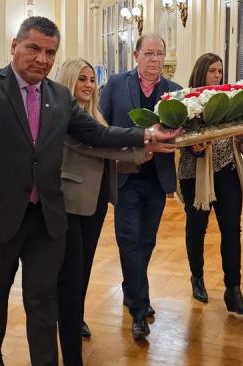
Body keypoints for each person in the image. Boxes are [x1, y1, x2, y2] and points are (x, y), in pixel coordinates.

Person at [0, 17, 179, 366]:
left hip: (47, 219)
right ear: (15, 45)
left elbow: (96, 134)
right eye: (34, 48)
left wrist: (146, 135)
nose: (42, 59)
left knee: (43, 303)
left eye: (50, 52)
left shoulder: (58, 97)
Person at [54, 58, 157, 366]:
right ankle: (70, 352)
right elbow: (95, 145)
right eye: (81, 79)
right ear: (68, 81)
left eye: (90, 79)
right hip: (71, 203)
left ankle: (75, 318)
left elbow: (105, 153)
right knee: (71, 274)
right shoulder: (65, 114)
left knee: (83, 269)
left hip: (96, 202)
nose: (87, 84)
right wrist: (141, 147)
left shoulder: (94, 113)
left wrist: (139, 152)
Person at [99, 33, 182, 340]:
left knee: (146, 241)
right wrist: (141, 146)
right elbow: (103, 131)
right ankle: (139, 308)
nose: (155, 60)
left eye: (159, 54)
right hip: (126, 177)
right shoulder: (116, 86)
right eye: (148, 53)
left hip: (157, 181)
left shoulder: (174, 91)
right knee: (128, 240)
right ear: (135, 56)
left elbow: (180, 133)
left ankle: (131, 289)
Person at [177, 53, 243, 315]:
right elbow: (178, 139)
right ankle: (197, 277)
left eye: (220, 71)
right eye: (212, 71)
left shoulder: (230, 101)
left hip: (227, 171)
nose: (217, 76)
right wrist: (193, 146)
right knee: (197, 229)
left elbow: (240, 143)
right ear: (200, 72)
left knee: (232, 230)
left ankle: (233, 290)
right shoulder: (187, 100)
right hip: (195, 175)